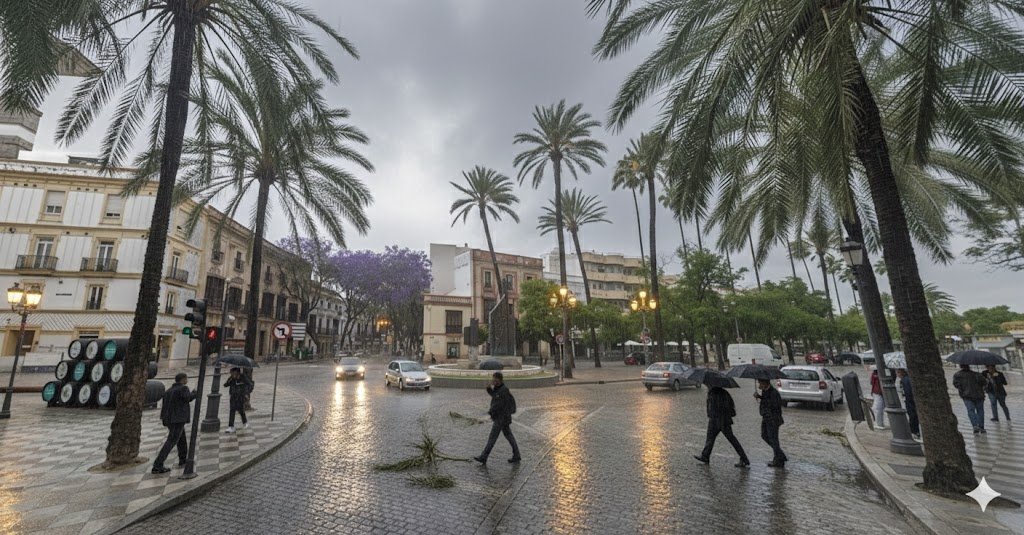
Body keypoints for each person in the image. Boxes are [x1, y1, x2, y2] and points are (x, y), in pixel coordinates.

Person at [694, 386, 750, 468]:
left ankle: (744, 459)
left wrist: (711, 414)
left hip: (718, 420)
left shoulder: (713, 394)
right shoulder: (724, 393)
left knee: (729, 439)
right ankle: (705, 456)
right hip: (722, 420)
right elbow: (730, 406)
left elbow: (712, 408)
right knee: (712, 439)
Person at [152, 373, 196, 474]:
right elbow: (188, 398)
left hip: (169, 419)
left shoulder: (169, 391)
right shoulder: (183, 388)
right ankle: (158, 464)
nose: (187, 380)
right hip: (178, 419)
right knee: (171, 441)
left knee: (181, 439)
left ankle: (183, 459)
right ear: (183, 379)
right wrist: (195, 393)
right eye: (186, 378)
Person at [474, 372, 521, 465]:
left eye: (494, 379)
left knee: (492, 438)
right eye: (493, 379)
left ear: (499, 380)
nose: (493, 381)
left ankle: (484, 457)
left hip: (501, 418)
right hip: (503, 418)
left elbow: (498, 404)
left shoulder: (503, 390)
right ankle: (517, 455)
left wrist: (490, 412)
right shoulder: (499, 388)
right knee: (509, 437)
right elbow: (495, 395)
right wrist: (488, 388)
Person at [755, 378, 787, 468]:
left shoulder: (774, 393)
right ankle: (780, 456)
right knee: (764, 436)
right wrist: (759, 397)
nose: (759, 385)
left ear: (765, 383)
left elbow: (775, 406)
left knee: (773, 439)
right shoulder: (765, 391)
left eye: (760, 383)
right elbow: (766, 400)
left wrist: (767, 413)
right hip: (766, 418)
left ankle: (779, 460)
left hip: (773, 419)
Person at [953, 364, 988, 434]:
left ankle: (975, 425)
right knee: (980, 411)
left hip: (967, 396)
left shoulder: (957, 375)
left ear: (960, 366)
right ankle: (981, 427)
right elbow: (985, 382)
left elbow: (956, 384)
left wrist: (962, 389)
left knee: (970, 411)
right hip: (979, 395)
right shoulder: (977, 374)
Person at [224, 367, 253, 433]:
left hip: (240, 397)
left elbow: (250, 385)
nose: (231, 374)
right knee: (232, 410)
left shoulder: (243, 377)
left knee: (241, 410)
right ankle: (231, 426)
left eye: (232, 372)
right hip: (233, 396)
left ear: (237, 372)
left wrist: (246, 393)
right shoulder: (231, 378)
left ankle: (245, 422)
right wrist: (230, 379)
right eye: (231, 373)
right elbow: (225, 385)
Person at [896, 369, 920, 439]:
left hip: (909, 401)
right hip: (910, 400)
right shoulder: (907, 378)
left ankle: (914, 432)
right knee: (913, 416)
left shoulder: (904, 380)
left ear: (901, 373)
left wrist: (907, 400)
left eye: (897, 372)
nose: (897, 374)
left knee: (912, 416)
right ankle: (915, 432)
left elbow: (907, 392)